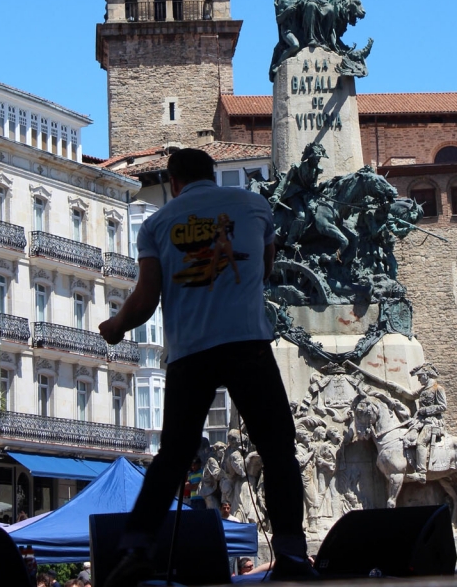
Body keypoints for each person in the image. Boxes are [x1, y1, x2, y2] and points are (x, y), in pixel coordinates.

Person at [99, 149, 314, 586]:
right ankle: (291, 553)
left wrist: (115, 326)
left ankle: (138, 547)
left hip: (190, 354)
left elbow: (145, 300)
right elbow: (266, 269)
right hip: (248, 345)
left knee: (173, 457)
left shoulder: (157, 224)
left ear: (174, 182)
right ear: (212, 175)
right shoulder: (255, 206)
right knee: (277, 450)